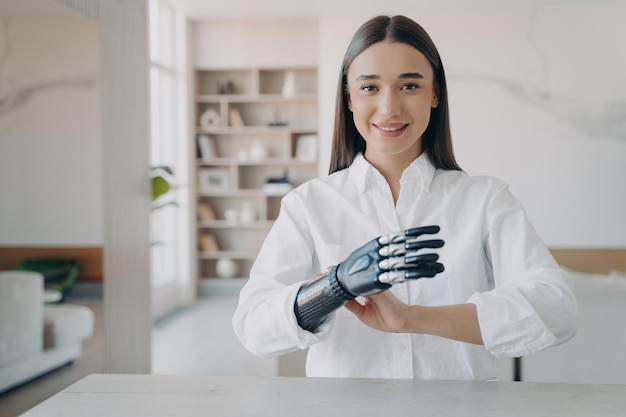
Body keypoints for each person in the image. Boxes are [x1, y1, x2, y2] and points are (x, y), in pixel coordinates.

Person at [232, 15, 577, 380]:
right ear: (348, 98)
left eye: (409, 86)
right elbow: (253, 327)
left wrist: (413, 319)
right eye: (369, 88)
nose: (389, 108)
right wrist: (332, 289)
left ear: (435, 93)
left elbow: (557, 309)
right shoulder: (308, 205)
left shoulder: (485, 200)